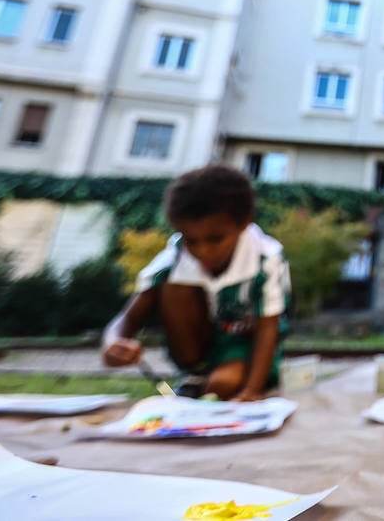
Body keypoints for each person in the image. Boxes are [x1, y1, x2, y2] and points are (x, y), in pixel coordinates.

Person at [101, 164, 290, 401]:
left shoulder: (267, 258)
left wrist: (252, 390)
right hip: (202, 343)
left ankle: (230, 381)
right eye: (192, 240)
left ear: (243, 225)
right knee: (171, 285)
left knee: (222, 384)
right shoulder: (177, 254)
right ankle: (194, 375)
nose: (203, 251)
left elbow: (267, 327)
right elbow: (130, 315)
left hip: (246, 346)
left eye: (215, 239)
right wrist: (113, 343)